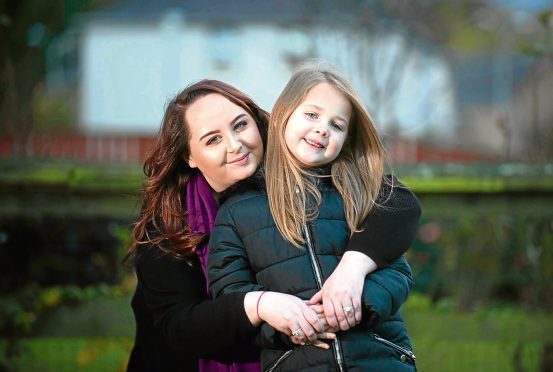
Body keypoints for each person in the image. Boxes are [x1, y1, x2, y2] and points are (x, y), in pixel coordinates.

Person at [126, 79, 420, 372]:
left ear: (258, 122)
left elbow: (398, 203)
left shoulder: (303, 171)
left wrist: (350, 272)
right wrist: (260, 305)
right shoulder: (167, 226)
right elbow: (181, 328)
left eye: (240, 125)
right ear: (188, 156)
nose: (235, 144)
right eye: (212, 139)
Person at [208, 63, 418, 371]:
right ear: (283, 115)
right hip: (295, 362)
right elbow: (229, 291)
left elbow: (398, 272)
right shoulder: (239, 209)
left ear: (347, 139)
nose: (323, 128)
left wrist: (354, 303)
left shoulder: (358, 192)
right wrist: (284, 320)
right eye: (311, 114)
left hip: (378, 358)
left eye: (337, 125)